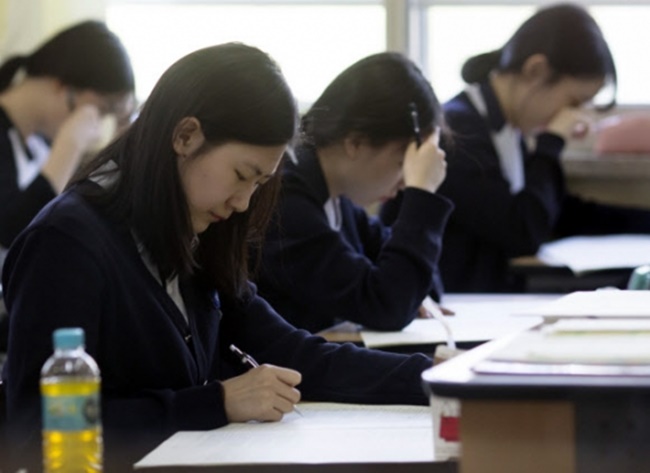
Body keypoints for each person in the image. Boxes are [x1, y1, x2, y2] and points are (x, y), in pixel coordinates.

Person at [1, 43, 434, 471]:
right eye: (242, 175)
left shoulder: (192, 228)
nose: (243, 202)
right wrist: (217, 401)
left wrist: (434, 376)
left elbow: (294, 353)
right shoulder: (67, 242)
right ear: (185, 137)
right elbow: (37, 429)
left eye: (259, 185)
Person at [383, 3, 650, 293]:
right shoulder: (459, 132)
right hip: (455, 301)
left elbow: (557, 212)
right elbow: (524, 231)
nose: (575, 116)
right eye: (573, 102)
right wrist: (552, 141)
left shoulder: (507, 130)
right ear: (536, 70)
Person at [253, 52, 453, 334]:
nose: (404, 182)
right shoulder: (287, 200)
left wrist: (409, 291)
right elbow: (390, 305)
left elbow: (419, 284)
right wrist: (422, 194)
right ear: (356, 142)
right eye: (402, 164)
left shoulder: (336, 198)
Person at [0, 20, 135, 354]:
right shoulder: (51, 146)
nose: (97, 125)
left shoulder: (38, 145)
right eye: (100, 110)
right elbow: (13, 230)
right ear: (63, 86)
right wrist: (71, 143)